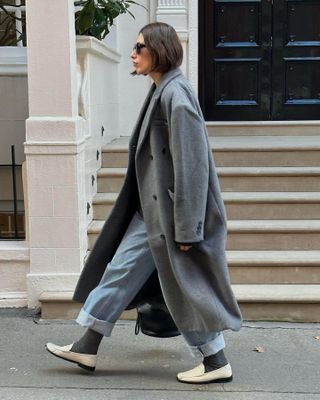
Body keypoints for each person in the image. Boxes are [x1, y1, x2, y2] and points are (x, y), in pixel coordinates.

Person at [45, 22, 242, 384]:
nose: (132, 55)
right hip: (151, 212)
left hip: (168, 217)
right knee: (119, 273)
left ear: (159, 51)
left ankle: (216, 361)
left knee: (181, 287)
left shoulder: (176, 96)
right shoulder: (161, 90)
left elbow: (193, 167)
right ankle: (86, 345)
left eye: (139, 48)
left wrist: (188, 227)